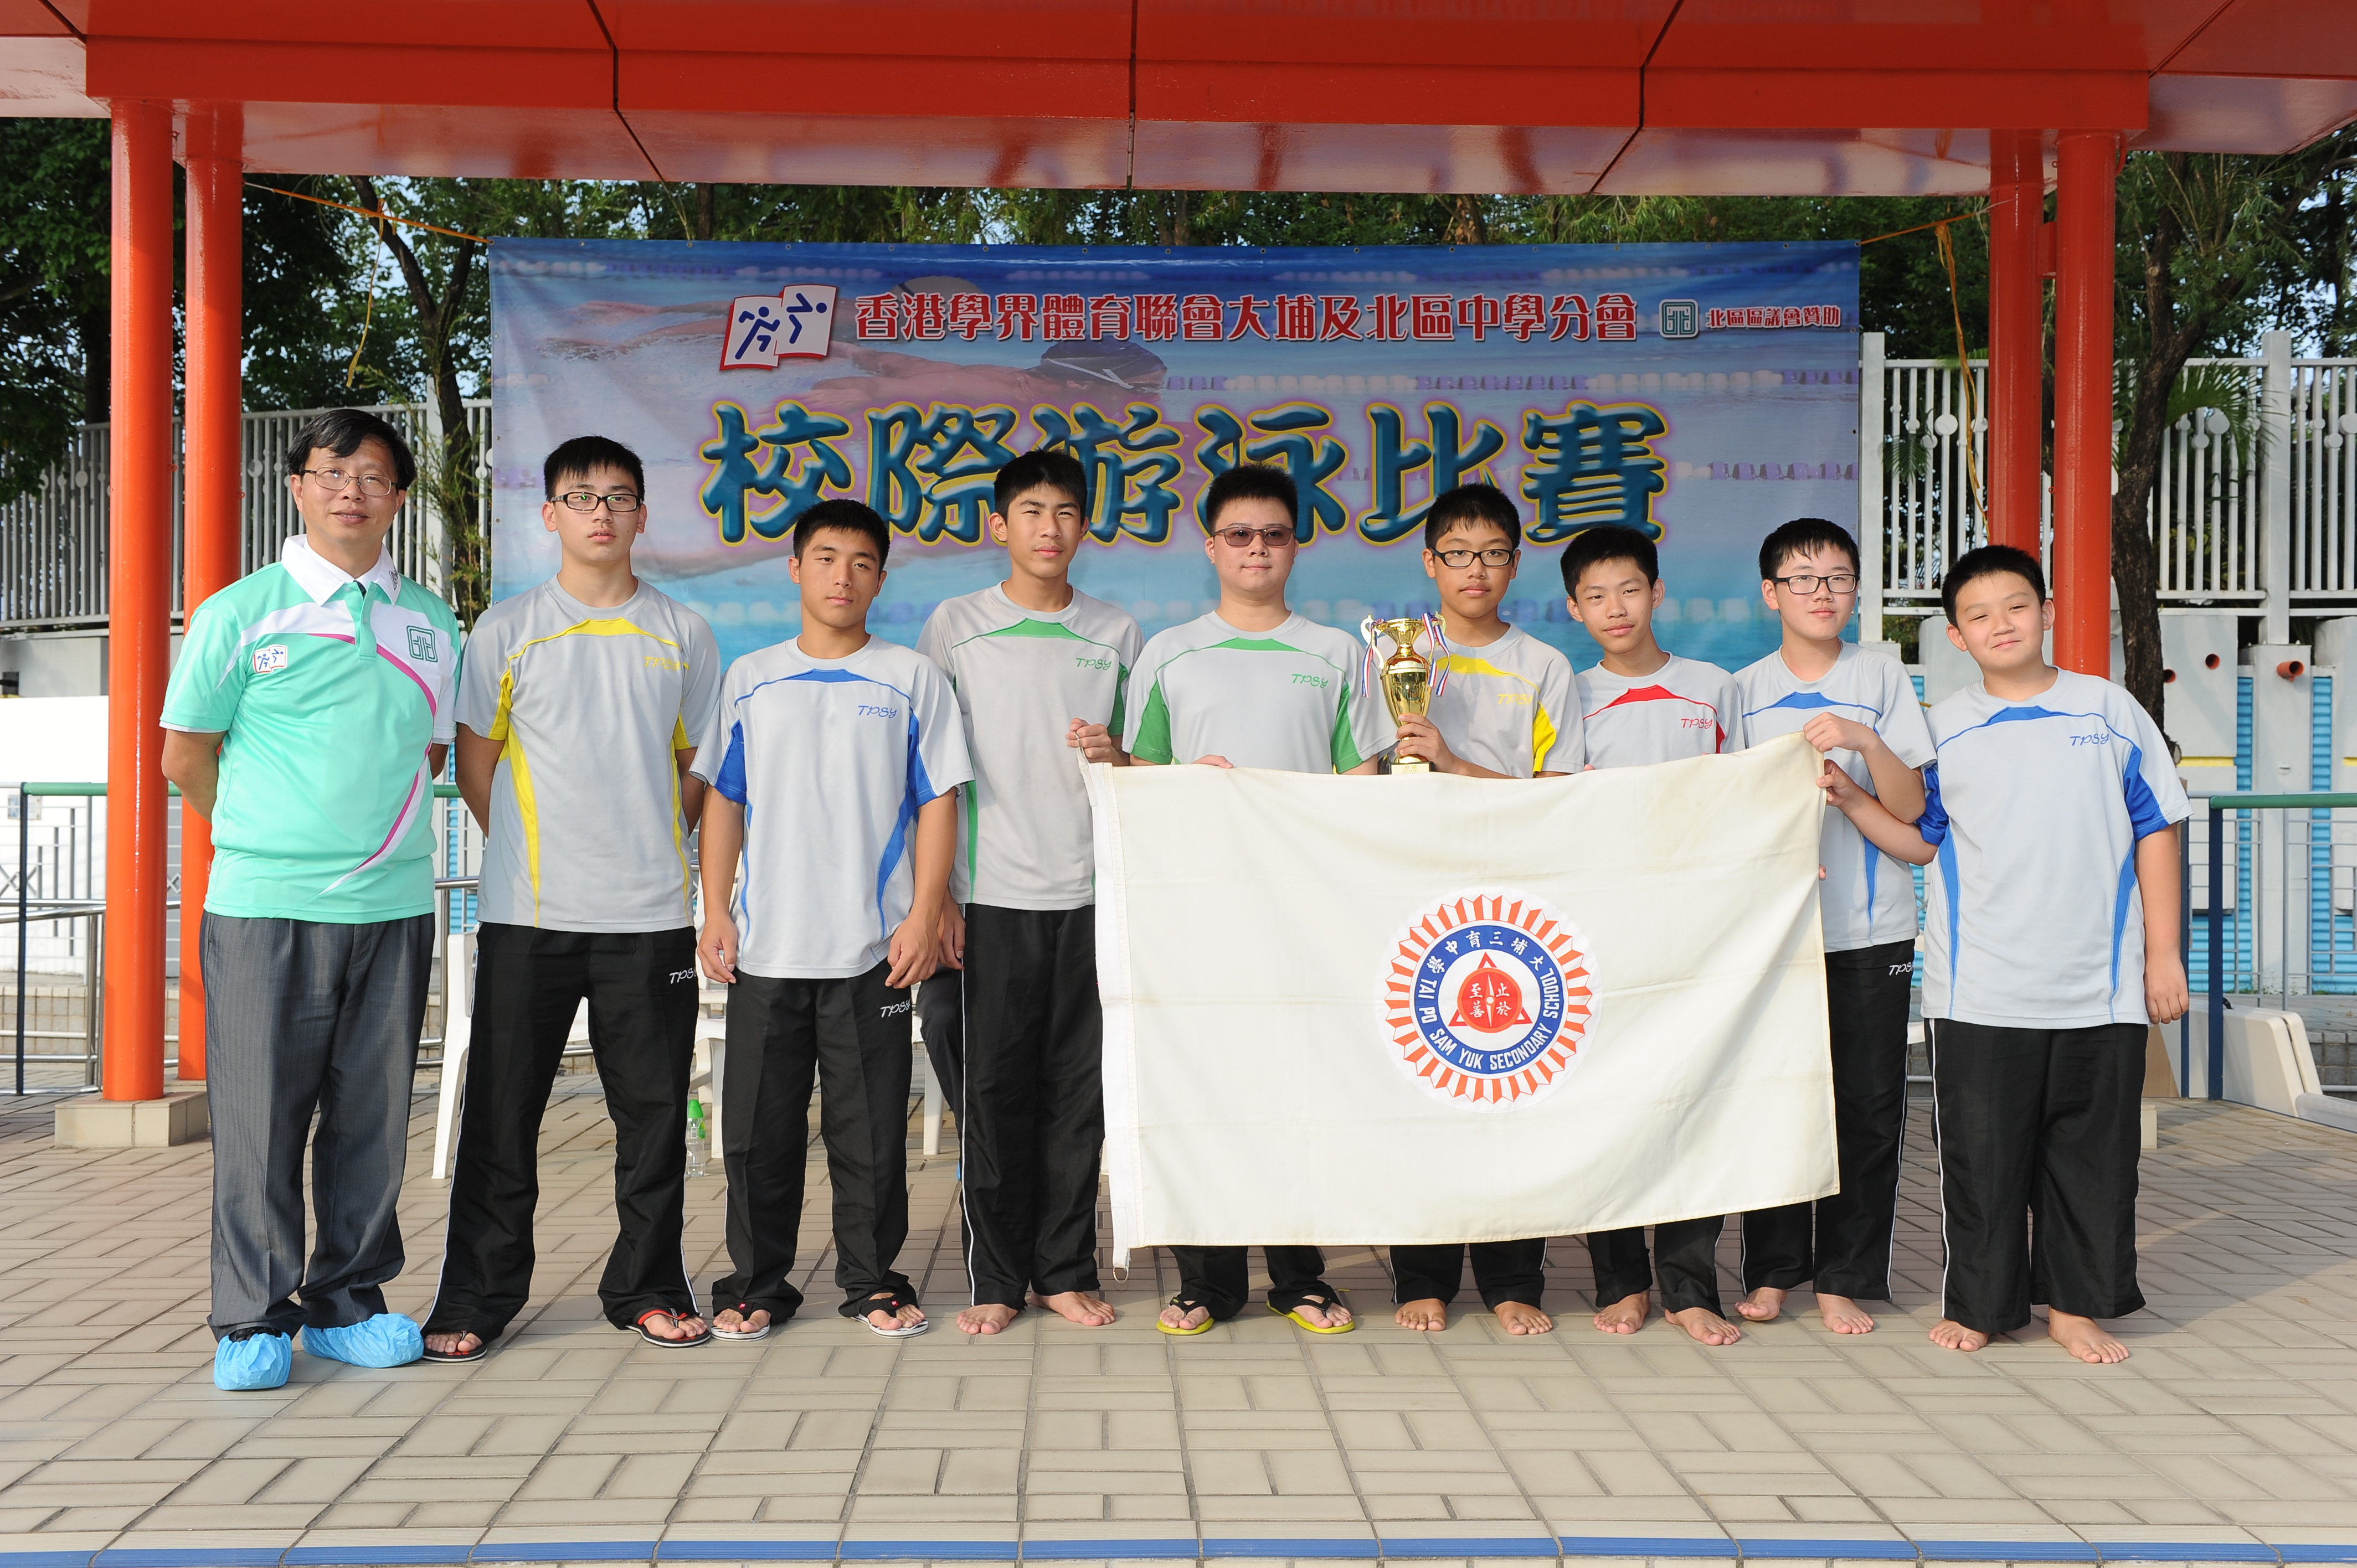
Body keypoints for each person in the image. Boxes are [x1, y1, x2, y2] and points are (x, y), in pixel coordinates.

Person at [1817, 544, 2188, 1364]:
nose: (2002, 624)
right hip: (1978, 990)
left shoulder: (2109, 710)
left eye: (2017, 606)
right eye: (1979, 615)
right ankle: (1983, 1306)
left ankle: (2073, 1308)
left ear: (2047, 612)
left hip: (2100, 987)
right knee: (1982, 1164)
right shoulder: (1943, 729)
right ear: (1957, 636)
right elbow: (1921, 841)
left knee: (2092, 1160)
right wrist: (1850, 800)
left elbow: (2157, 830)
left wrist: (2164, 956)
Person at [160, 409, 462, 1390]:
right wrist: (270, 836)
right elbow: (185, 757)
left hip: (392, 905)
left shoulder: (431, 622)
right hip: (266, 907)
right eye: (332, 472)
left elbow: (427, 751)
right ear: (297, 486)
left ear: (399, 497)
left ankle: (348, 1303)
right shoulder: (240, 612)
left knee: (372, 1118)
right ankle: (253, 1317)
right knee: (260, 1120)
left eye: (372, 476)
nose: (351, 492)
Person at [421, 436, 722, 1362]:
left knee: (654, 1119)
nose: (602, 513)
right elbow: (477, 766)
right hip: (531, 918)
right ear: (549, 515)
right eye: (582, 498)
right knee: (502, 1115)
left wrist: (648, 842)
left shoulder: (684, 633)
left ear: (642, 516)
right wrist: (531, 850)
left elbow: (699, 770)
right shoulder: (507, 630)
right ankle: (476, 1296)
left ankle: (648, 1288)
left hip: (650, 919)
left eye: (619, 497)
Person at [692, 499, 972, 1339]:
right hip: (767, 947)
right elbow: (724, 800)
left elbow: (939, 800)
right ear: (795, 569)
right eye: (824, 558)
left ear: (880, 579)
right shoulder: (751, 678)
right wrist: (715, 909)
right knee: (757, 1132)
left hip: (870, 950)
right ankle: (755, 1284)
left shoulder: (912, 678)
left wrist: (923, 913)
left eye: (860, 562)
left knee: (871, 1133)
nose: (841, 576)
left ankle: (874, 1282)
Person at [1125, 463, 1390, 1337]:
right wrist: (1182, 784)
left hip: (1301, 912)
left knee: (1296, 1093)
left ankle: (1300, 1277)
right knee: (1203, 1093)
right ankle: (1206, 1282)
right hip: (1196, 914)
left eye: (1274, 534)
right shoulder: (1169, 653)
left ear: (1295, 547)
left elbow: (1361, 784)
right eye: (1239, 535)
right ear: (1211, 548)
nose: (1257, 549)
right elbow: (1140, 784)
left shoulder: (1338, 654)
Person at [916, 450, 1144, 1337]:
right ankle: (997, 1279)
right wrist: (938, 897)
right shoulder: (957, 626)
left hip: (1092, 900)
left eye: (1066, 513)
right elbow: (930, 775)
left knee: (1077, 1097)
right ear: (999, 525)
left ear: (1085, 527)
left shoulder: (1117, 633)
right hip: (990, 898)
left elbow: (1139, 762)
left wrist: (1116, 753)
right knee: (994, 1096)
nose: (1050, 529)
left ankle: (1065, 1270)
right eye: (1032, 512)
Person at [1729, 518, 1932, 1337]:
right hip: (1779, 934)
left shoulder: (1880, 676)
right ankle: (1775, 1271)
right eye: (1803, 578)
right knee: (1777, 1102)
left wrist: (1863, 741)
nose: (1823, 593)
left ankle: (1847, 1277)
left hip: (1872, 931)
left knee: (1869, 1107)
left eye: (1839, 578)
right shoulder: (1742, 691)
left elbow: (1912, 808)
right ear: (1770, 592)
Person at [1387, 482, 1579, 1337]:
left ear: (1514, 564)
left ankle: (1513, 1279)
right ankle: (1420, 1276)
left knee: (1510, 1088)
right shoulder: (1391, 655)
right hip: (1409, 892)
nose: (1477, 570)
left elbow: (1559, 797)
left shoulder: (1544, 666)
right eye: (1459, 554)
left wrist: (1457, 765)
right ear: (1430, 562)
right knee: (1418, 1088)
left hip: (1510, 900)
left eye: (1494, 555)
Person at [1560, 524, 1747, 1347]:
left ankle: (1690, 1286)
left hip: (1698, 929)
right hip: (1600, 929)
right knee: (1607, 1104)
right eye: (1596, 596)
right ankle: (1622, 1282)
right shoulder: (1570, 694)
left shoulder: (1713, 688)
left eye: (1630, 590)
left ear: (1658, 592)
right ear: (1575, 608)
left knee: (1693, 1102)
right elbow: (1557, 804)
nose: (1616, 608)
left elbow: (1748, 793)